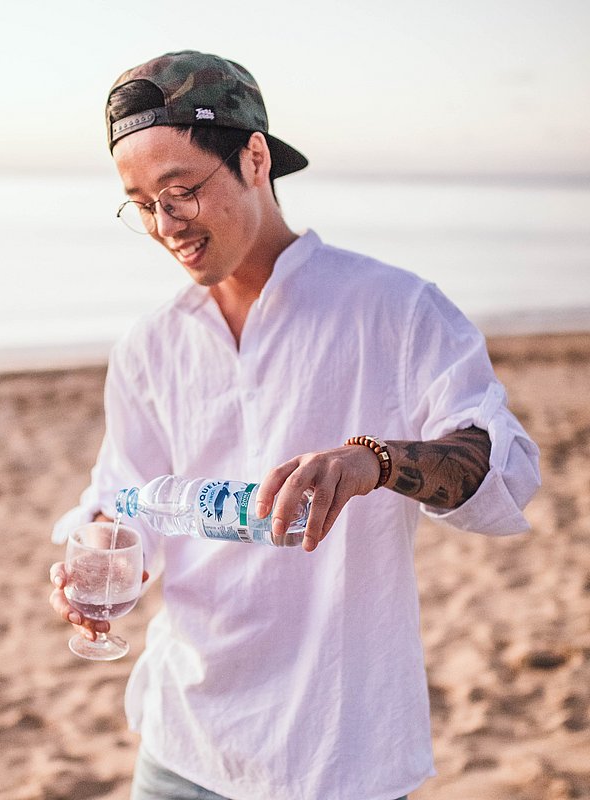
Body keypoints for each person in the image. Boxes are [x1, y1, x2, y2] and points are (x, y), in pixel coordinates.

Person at [49, 50, 541, 800]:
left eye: (180, 191)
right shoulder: (150, 346)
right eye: (140, 202)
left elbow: (503, 470)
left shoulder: (393, 309)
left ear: (254, 158)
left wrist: (374, 462)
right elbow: (127, 502)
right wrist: (97, 570)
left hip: (336, 756)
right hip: (183, 746)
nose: (163, 224)